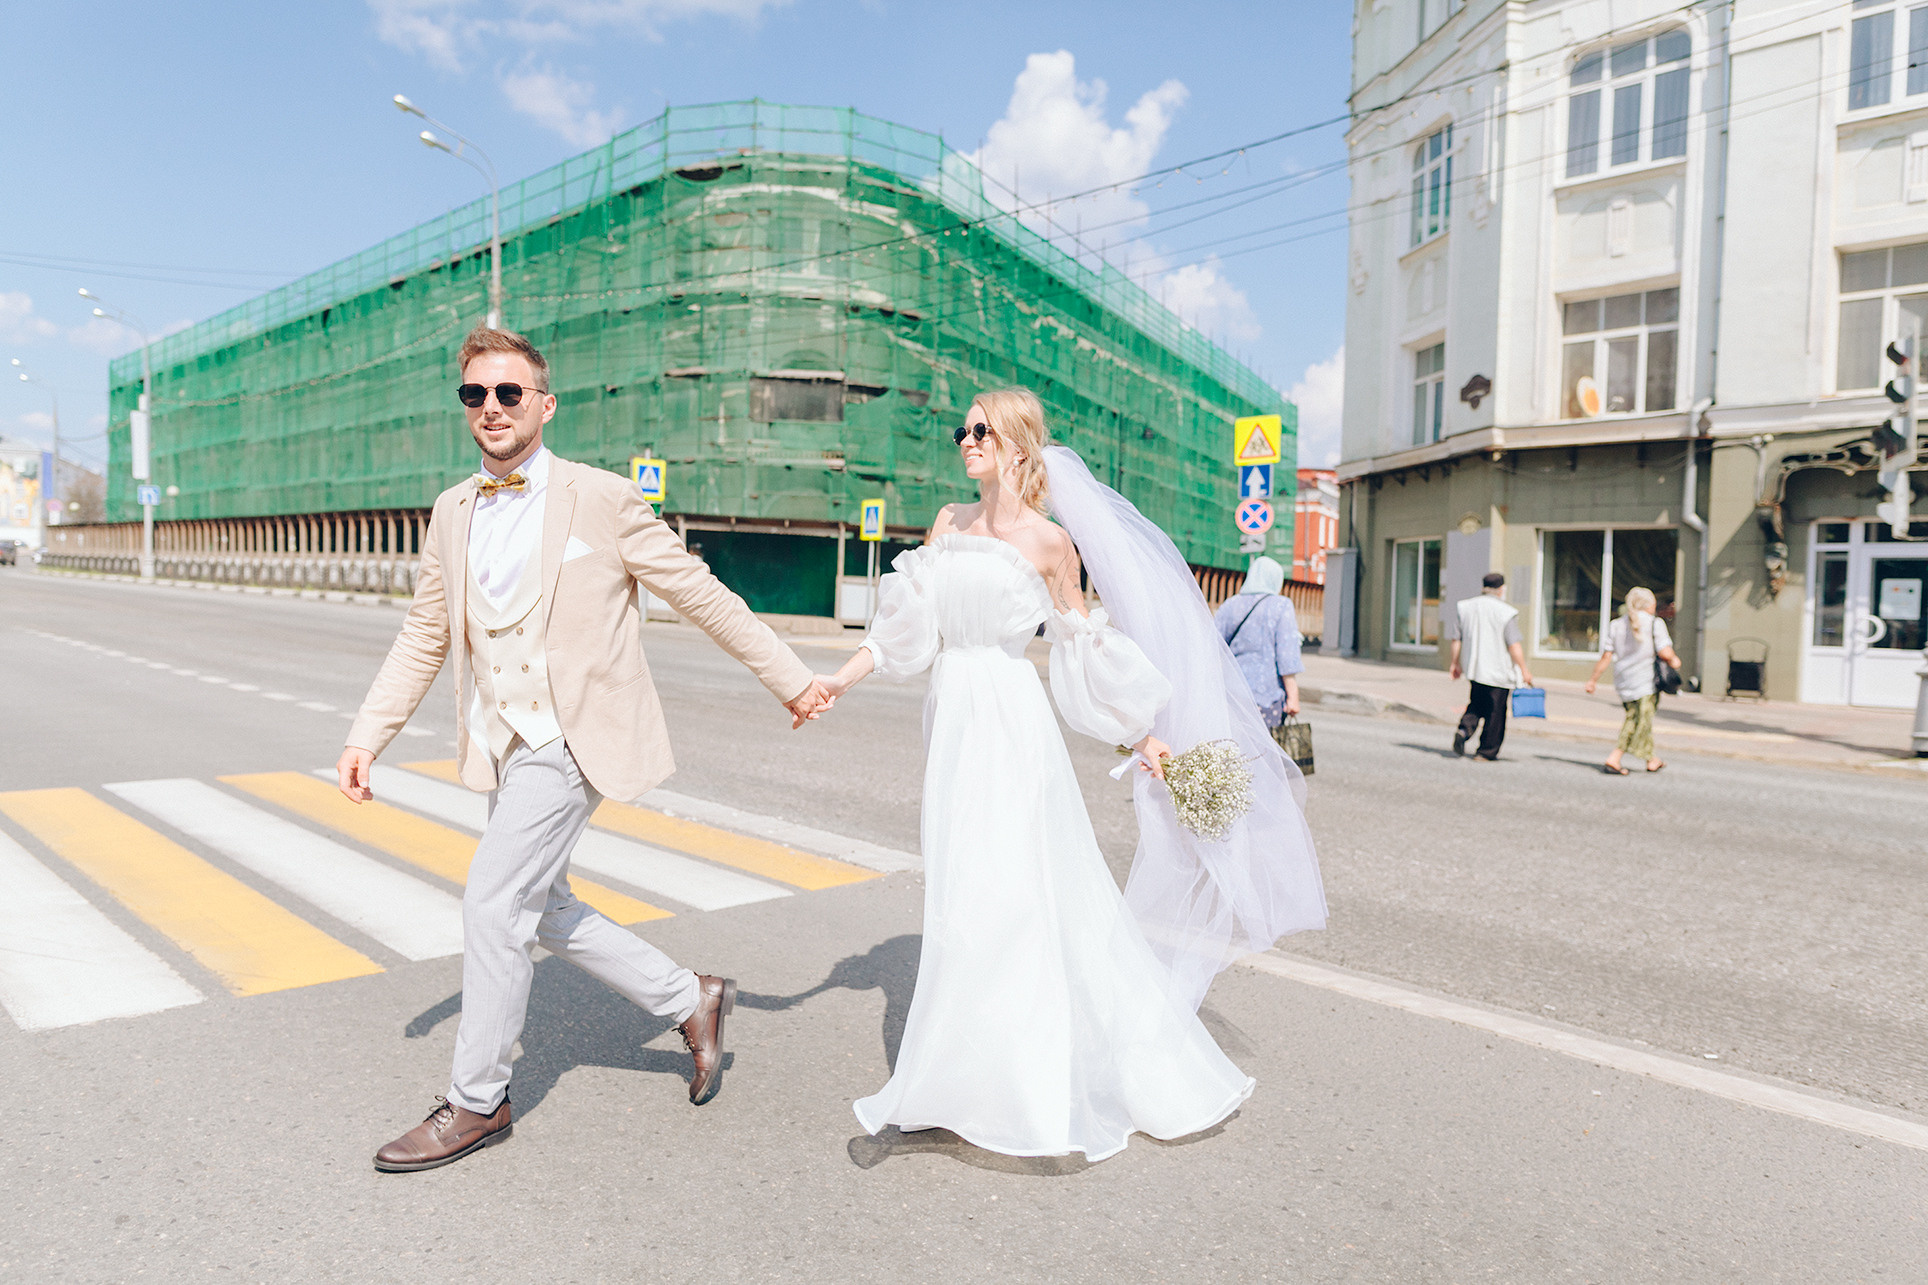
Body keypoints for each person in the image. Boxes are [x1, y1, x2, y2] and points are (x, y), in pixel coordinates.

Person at [336, 325, 831, 1173]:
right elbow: (426, 632)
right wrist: (367, 732)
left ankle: (477, 1100)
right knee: (543, 904)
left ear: (543, 402)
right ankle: (692, 997)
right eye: (474, 394)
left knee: (493, 903)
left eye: (508, 393)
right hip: (504, 735)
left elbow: (698, 593)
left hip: (574, 736)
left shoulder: (601, 499)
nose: (491, 407)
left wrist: (788, 675)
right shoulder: (453, 509)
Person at [817, 388, 1326, 1161]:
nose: (967, 438)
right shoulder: (948, 525)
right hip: (955, 727)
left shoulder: (1053, 545)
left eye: (981, 428)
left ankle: (1026, 1088)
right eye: (964, 428)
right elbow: (902, 631)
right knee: (962, 895)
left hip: (1015, 730)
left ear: (1019, 445)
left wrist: (1148, 740)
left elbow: (1083, 648)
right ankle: (963, 1078)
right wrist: (834, 681)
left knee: (1015, 895)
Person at [1584, 586, 1681, 775]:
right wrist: (1675, 660)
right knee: (1637, 721)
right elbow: (1665, 651)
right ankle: (1615, 758)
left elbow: (1606, 656)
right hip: (1646, 681)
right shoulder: (1655, 623)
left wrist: (1592, 680)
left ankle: (1652, 759)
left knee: (1639, 719)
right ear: (1648, 605)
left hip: (1624, 681)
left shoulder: (1616, 624)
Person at [1449, 571, 1536, 761]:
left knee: (1476, 703)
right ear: (1501, 589)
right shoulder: (1505, 612)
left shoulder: (1465, 608)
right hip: (1499, 672)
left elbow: (1457, 639)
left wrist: (1455, 664)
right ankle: (1486, 751)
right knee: (1495, 712)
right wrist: (1524, 670)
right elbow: (1514, 645)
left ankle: (1464, 730)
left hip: (1475, 668)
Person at [1213, 555, 1303, 728]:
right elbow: (1287, 655)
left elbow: (1214, 646)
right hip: (1266, 695)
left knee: (1234, 749)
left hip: (1231, 693)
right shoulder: (1281, 605)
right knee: (1264, 752)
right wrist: (1293, 697)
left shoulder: (1230, 604)